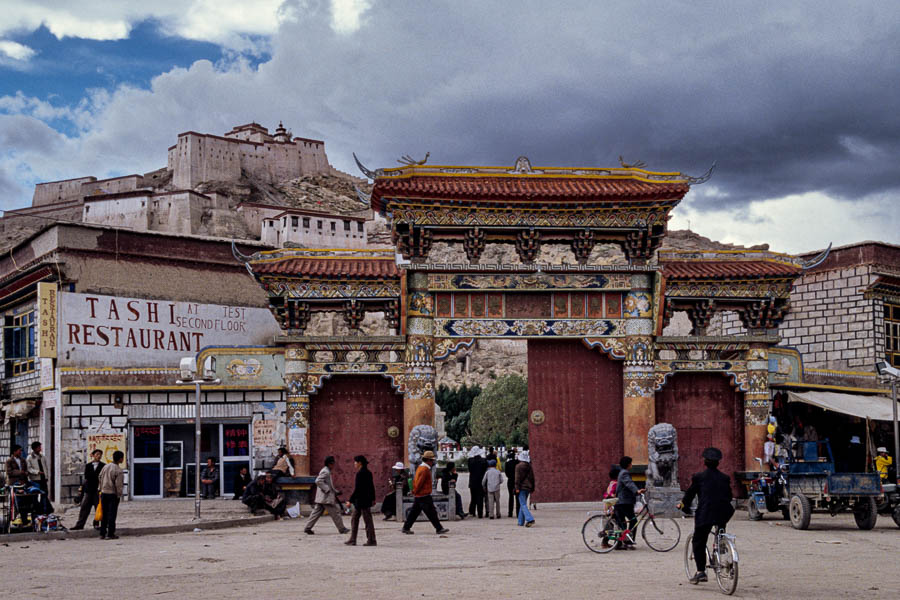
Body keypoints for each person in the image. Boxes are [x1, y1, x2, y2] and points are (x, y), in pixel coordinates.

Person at [678, 447, 735, 585]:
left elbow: (690, 494)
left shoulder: (699, 477)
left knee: (699, 540)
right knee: (720, 526)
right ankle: (721, 541)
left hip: (706, 512)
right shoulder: (725, 478)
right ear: (718, 463)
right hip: (723, 511)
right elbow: (729, 496)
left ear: (705, 461)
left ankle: (701, 572)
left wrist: (683, 505)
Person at [402, 451, 449, 535]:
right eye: (432, 460)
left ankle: (406, 527)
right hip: (424, 494)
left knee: (414, 512)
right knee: (431, 512)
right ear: (428, 460)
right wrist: (415, 491)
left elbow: (417, 481)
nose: (432, 462)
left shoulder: (420, 467)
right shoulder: (425, 469)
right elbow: (420, 482)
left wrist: (414, 491)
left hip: (419, 494)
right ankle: (439, 528)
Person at [305, 456, 349, 535]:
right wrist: (327, 489)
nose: (334, 465)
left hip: (322, 498)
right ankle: (342, 529)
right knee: (335, 513)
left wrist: (335, 492)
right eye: (333, 464)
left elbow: (328, 484)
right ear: (330, 464)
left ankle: (308, 527)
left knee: (315, 513)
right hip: (326, 498)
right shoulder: (326, 471)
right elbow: (318, 481)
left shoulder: (325, 470)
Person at [345, 455, 377, 546]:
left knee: (363, 520)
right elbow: (372, 487)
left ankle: (371, 540)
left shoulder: (360, 474)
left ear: (360, 463)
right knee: (359, 520)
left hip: (361, 501)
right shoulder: (368, 473)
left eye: (355, 462)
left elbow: (358, 489)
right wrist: (373, 498)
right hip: (365, 500)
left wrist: (350, 500)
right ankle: (353, 539)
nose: (354, 464)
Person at [614, 456, 644, 548]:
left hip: (621, 501)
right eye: (631, 463)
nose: (631, 464)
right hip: (624, 501)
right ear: (628, 464)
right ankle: (629, 541)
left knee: (622, 522)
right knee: (633, 521)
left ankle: (619, 543)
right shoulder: (624, 473)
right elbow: (629, 483)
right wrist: (637, 491)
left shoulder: (622, 472)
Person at [71, 449, 105, 530]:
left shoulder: (103, 466)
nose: (99, 456)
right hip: (89, 490)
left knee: (98, 508)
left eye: (100, 454)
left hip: (98, 490)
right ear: (92, 455)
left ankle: (96, 524)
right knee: (84, 508)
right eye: (97, 454)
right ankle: (80, 524)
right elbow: (87, 477)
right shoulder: (88, 465)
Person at [98, 450, 125, 540]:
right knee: (112, 514)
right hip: (112, 494)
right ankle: (110, 533)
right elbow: (119, 485)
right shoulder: (118, 470)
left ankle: (102, 533)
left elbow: (100, 477)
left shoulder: (106, 466)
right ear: (121, 459)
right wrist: (119, 494)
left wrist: (100, 489)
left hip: (103, 492)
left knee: (104, 514)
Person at [514, 450, 535, 527]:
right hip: (528, 487)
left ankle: (530, 519)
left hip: (521, 487)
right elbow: (532, 478)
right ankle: (520, 522)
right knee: (523, 504)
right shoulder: (529, 466)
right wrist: (532, 487)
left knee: (522, 504)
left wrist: (517, 488)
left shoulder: (518, 466)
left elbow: (517, 479)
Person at [467, 446, 487, 518]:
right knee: (480, 497)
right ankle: (480, 513)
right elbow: (485, 470)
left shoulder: (470, 460)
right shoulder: (484, 461)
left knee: (473, 497)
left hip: (472, 481)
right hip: (481, 481)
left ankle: (472, 511)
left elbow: (470, 470)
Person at [504, 449, 520, 517]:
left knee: (510, 496)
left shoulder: (507, 463)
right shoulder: (517, 462)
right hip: (516, 481)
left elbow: (506, 474)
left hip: (510, 481)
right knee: (517, 497)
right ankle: (518, 512)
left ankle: (510, 512)